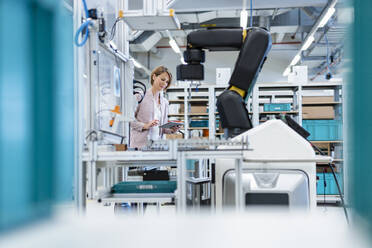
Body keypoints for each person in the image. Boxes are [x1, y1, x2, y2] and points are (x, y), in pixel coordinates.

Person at [130, 66, 180, 149]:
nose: (164, 84)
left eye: (167, 82)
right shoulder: (140, 96)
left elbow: (162, 127)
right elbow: (129, 120)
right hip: (139, 146)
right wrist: (145, 125)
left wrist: (171, 130)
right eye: (162, 79)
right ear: (154, 77)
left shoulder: (165, 102)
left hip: (157, 146)